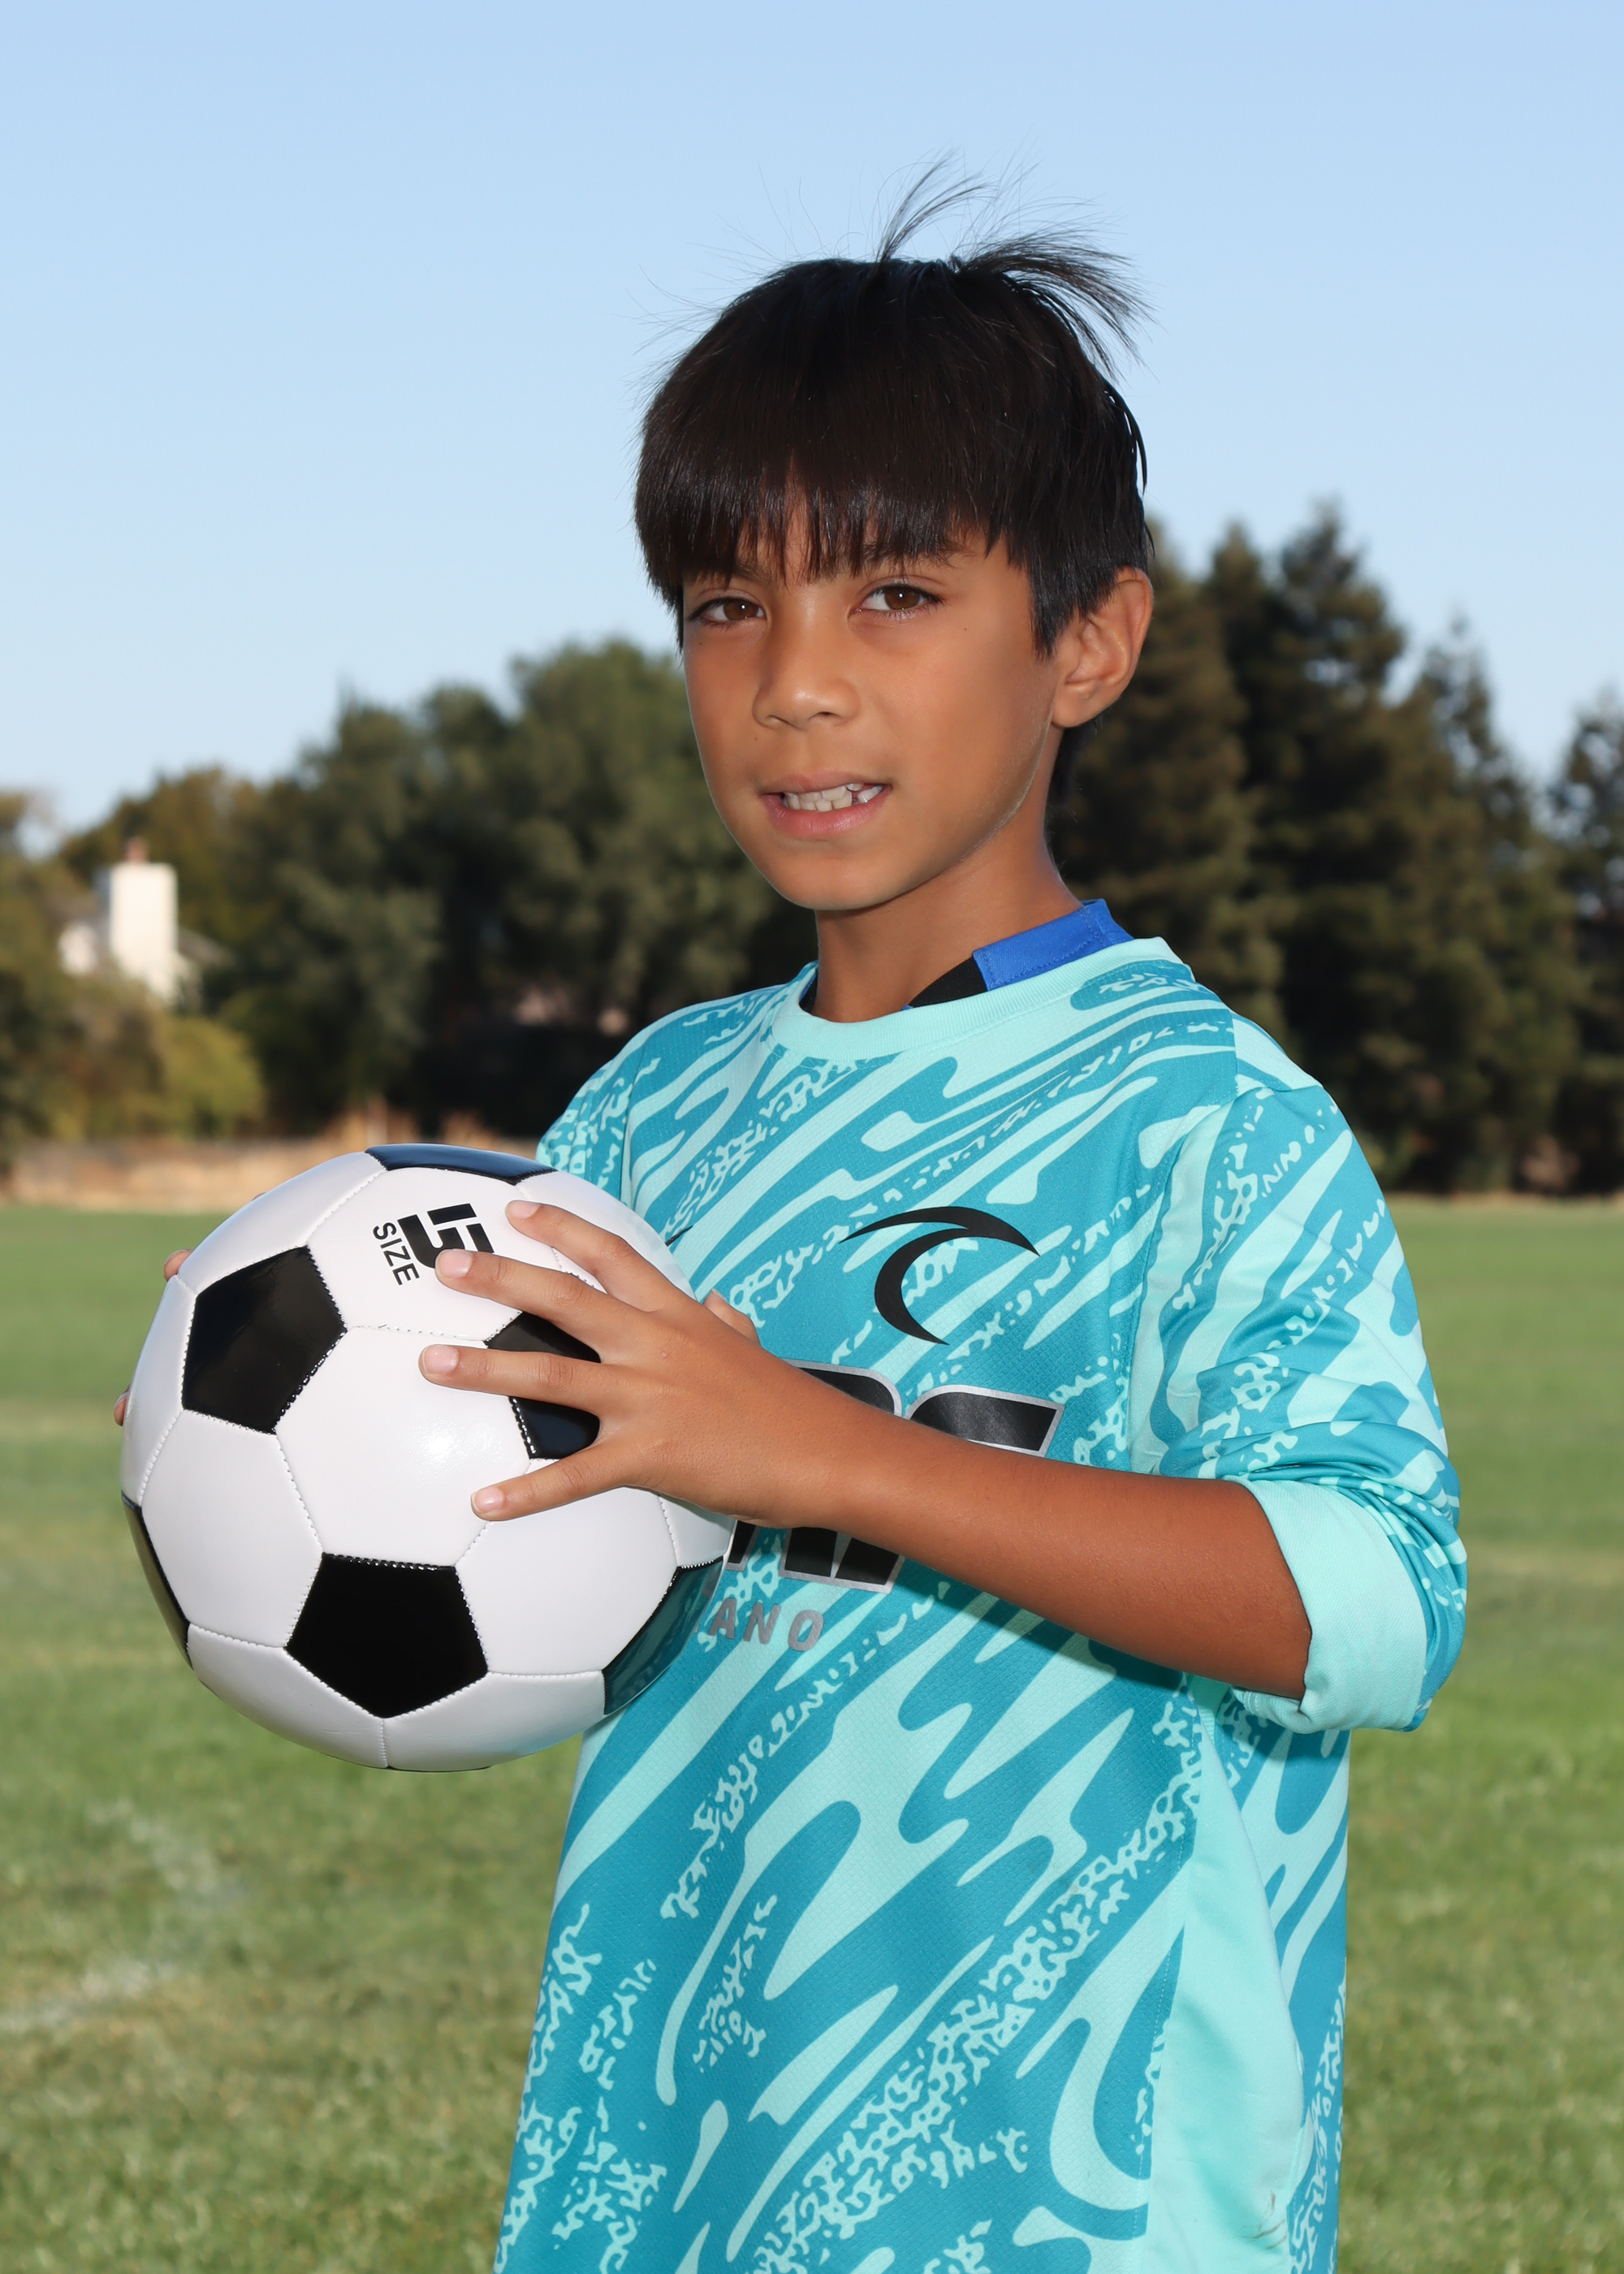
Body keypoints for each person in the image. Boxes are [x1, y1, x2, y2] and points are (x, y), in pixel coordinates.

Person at [132, 205, 1465, 2273]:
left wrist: (834, 1454)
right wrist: (298, 1332)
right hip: (667, 2177)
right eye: (726, 605)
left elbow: (1379, 1601)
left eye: (897, 592)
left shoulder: (1206, 1118)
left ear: (1088, 642)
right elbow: (503, 1438)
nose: (795, 684)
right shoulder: (652, 1114)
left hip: (1074, 2201)